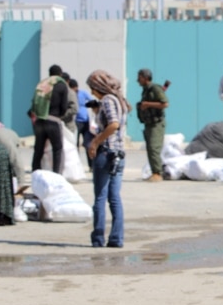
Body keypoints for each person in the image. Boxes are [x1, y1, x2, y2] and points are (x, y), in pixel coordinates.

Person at [86, 70, 130, 248]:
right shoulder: (119, 101)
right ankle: (116, 238)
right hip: (119, 154)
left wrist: (95, 142)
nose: (91, 93)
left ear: (98, 87)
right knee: (114, 198)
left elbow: (113, 124)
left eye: (92, 88)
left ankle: (98, 238)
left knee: (100, 198)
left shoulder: (107, 100)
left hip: (106, 153)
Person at [30, 64, 68, 174]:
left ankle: (35, 173)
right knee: (58, 149)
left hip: (39, 121)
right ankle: (57, 175)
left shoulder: (41, 85)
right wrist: (59, 115)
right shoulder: (61, 84)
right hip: (53, 120)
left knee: (38, 149)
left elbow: (33, 103)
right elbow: (64, 106)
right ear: (60, 74)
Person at [136, 68, 168, 182]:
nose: (137, 80)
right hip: (149, 123)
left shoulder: (154, 88)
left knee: (154, 148)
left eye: (139, 78)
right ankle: (155, 171)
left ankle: (158, 173)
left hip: (156, 123)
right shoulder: (146, 90)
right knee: (150, 148)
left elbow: (165, 103)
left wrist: (147, 104)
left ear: (145, 78)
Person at [70, 79, 95, 170]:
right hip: (76, 121)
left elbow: (92, 100)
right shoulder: (70, 94)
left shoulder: (83, 93)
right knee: (75, 144)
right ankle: (77, 166)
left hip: (85, 121)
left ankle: (91, 165)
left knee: (88, 144)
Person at [60, 72, 79, 137]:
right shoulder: (55, 92)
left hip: (68, 127)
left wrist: (60, 116)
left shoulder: (70, 93)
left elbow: (74, 109)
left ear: (68, 81)